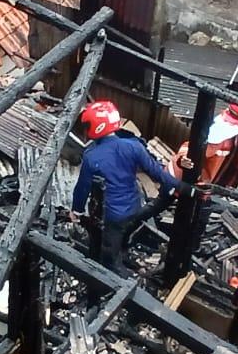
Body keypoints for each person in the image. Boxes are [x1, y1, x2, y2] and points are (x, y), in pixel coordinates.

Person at [70, 100, 190, 272]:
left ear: (96, 127)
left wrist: (77, 210)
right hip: (134, 206)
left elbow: (82, 188)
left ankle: (120, 282)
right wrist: (184, 187)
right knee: (125, 233)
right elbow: (158, 173)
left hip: (112, 216)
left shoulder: (91, 156)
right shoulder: (134, 146)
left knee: (108, 259)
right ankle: (124, 251)